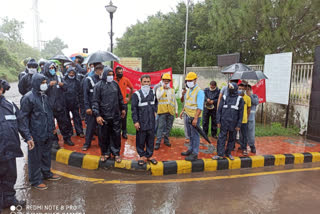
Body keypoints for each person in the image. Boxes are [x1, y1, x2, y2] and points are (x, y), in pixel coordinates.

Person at [20, 73, 61, 190]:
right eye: (42, 83)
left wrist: (52, 128)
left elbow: (49, 113)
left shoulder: (44, 96)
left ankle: (46, 173)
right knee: (35, 157)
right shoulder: (28, 98)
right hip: (35, 133)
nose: (45, 85)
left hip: (47, 132)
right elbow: (23, 118)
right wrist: (28, 136)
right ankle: (35, 180)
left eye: (45, 82)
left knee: (46, 154)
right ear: (36, 83)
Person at [0, 80, 32, 210]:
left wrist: (28, 137)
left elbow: (21, 122)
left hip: (10, 149)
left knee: (10, 176)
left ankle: (9, 199)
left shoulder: (10, 105)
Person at [92, 67, 126, 163]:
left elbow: (120, 97)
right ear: (104, 75)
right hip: (103, 116)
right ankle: (105, 153)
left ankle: (116, 153)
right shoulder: (98, 86)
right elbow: (95, 102)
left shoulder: (115, 84)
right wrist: (97, 115)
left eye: (112, 74)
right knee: (103, 135)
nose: (110, 76)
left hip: (115, 115)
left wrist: (122, 108)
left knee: (116, 135)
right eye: (109, 74)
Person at [43, 62, 74, 147]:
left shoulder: (59, 77)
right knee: (51, 125)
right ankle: (54, 141)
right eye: (50, 68)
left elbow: (66, 88)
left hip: (60, 105)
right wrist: (49, 85)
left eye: (53, 68)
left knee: (64, 123)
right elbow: (42, 91)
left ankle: (67, 138)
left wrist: (62, 85)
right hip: (49, 106)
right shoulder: (44, 79)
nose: (52, 70)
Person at [212, 82, 244, 160]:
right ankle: (220, 154)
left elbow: (241, 113)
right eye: (229, 87)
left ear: (235, 89)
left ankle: (228, 153)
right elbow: (219, 110)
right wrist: (218, 121)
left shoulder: (240, 99)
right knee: (221, 138)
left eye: (231, 87)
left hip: (234, 123)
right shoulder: (224, 97)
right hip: (224, 122)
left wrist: (239, 125)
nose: (229, 89)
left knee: (232, 139)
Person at [131, 75, 158, 166]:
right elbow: (133, 109)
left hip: (151, 121)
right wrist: (136, 121)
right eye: (144, 82)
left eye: (148, 82)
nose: (146, 83)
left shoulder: (153, 94)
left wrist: (155, 111)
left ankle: (149, 156)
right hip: (141, 122)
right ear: (141, 82)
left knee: (150, 139)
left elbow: (156, 104)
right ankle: (141, 156)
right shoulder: (136, 94)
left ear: (150, 82)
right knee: (141, 139)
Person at [180, 72, 205, 161]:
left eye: (191, 80)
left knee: (195, 135)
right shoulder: (189, 90)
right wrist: (183, 111)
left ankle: (195, 153)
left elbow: (200, 107)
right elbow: (185, 102)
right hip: (187, 115)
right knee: (190, 134)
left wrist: (195, 118)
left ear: (195, 80)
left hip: (194, 117)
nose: (189, 82)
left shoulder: (200, 92)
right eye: (187, 81)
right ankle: (190, 149)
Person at [82, 63, 103, 151]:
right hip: (91, 107)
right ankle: (87, 144)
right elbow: (85, 95)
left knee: (102, 127)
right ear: (97, 71)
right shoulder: (88, 79)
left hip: (101, 108)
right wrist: (87, 107)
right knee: (90, 127)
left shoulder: (103, 80)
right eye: (102, 71)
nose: (103, 72)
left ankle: (102, 144)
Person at [155, 73, 178, 150]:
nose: (166, 82)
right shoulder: (159, 89)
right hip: (162, 111)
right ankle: (158, 142)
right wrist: (163, 89)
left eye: (167, 81)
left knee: (168, 127)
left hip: (170, 112)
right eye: (164, 80)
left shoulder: (172, 90)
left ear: (169, 81)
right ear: (162, 81)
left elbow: (174, 101)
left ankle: (166, 140)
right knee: (160, 127)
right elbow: (158, 97)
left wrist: (176, 110)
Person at [64, 67, 85, 138]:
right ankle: (70, 132)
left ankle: (80, 131)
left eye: (73, 73)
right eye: (70, 73)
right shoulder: (64, 80)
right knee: (67, 118)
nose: (71, 74)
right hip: (66, 102)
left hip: (75, 102)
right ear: (68, 73)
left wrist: (80, 102)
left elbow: (80, 92)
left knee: (77, 118)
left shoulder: (77, 81)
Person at [114, 66, 134, 139]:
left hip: (124, 102)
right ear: (116, 73)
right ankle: (116, 132)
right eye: (119, 72)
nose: (120, 73)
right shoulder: (113, 80)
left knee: (124, 118)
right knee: (115, 118)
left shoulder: (125, 79)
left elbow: (132, 88)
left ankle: (124, 132)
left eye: (121, 72)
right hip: (115, 103)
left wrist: (129, 97)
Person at [238, 83, 251, 155]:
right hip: (236, 120)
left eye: (242, 89)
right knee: (234, 134)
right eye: (239, 89)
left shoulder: (248, 98)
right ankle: (233, 147)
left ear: (245, 89)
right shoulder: (235, 97)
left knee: (244, 135)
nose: (241, 90)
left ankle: (244, 148)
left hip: (244, 120)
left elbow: (249, 108)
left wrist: (247, 117)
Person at [247, 85, 259, 153]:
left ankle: (252, 146)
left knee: (251, 133)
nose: (247, 90)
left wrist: (250, 96)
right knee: (242, 133)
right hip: (243, 118)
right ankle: (243, 145)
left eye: (249, 89)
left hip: (251, 118)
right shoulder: (243, 96)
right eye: (246, 89)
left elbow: (256, 102)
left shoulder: (254, 96)